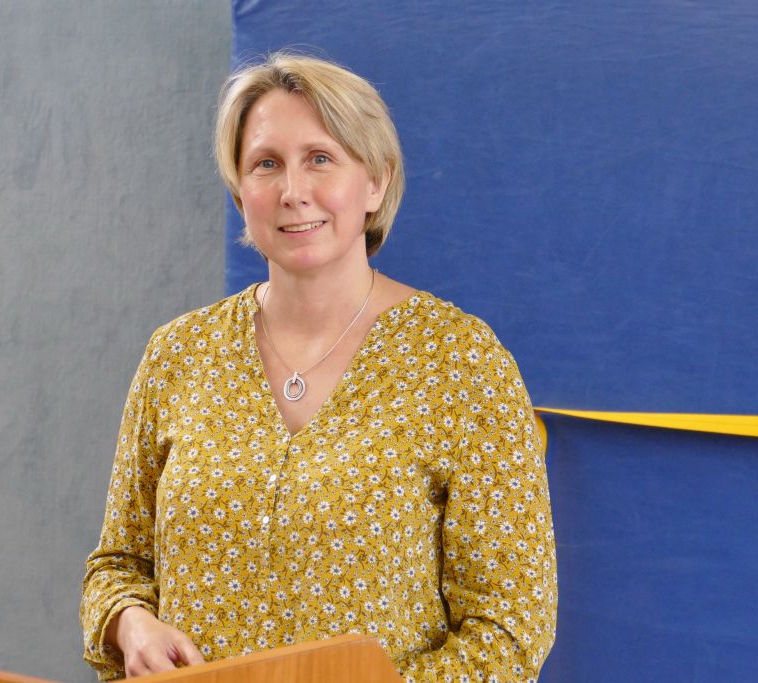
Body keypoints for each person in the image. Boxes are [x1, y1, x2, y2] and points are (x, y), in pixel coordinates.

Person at [81, 52, 557, 682]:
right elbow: (117, 566)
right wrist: (129, 623)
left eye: (321, 159)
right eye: (266, 164)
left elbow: (511, 627)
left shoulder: (462, 361)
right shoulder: (178, 353)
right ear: (239, 192)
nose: (292, 191)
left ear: (376, 182)